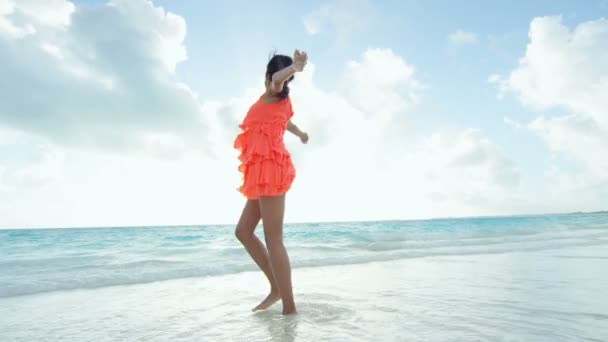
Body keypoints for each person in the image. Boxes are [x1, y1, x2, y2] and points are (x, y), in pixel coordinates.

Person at [233, 50, 309, 315]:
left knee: (273, 238)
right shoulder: (276, 103)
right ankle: (276, 289)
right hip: (260, 173)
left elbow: (278, 79)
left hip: (271, 170)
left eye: (280, 78)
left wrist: (293, 69)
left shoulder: (275, 89)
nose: (277, 82)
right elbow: (287, 122)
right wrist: (301, 133)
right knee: (243, 231)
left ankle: (289, 307)